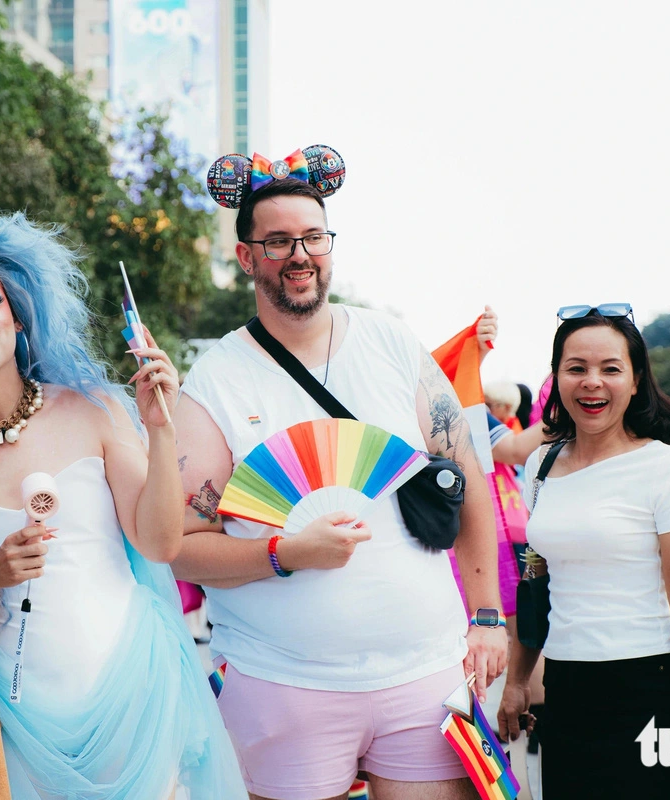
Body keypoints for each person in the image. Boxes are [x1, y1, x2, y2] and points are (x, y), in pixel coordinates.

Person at [0, 214, 246, 799]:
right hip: (8, 716)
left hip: (128, 687)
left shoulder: (92, 409)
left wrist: (161, 430)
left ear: (16, 316)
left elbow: (160, 544)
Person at [176, 150, 508, 800]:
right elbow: (182, 546)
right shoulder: (216, 379)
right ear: (247, 256)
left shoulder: (390, 344)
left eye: (313, 237)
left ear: (331, 246)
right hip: (283, 684)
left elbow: (466, 475)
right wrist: (283, 553)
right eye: (277, 241)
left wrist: (489, 617)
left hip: (425, 676)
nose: (299, 255)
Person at [497, 303, 670, 799]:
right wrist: (518, 680)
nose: (591, 381)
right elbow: (537, 581)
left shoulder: (668, 469)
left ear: (636, 380)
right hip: (567, 690)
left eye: (610, 369)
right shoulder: (541, 464)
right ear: (557, 378)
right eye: (576, 368)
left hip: (647, 686)